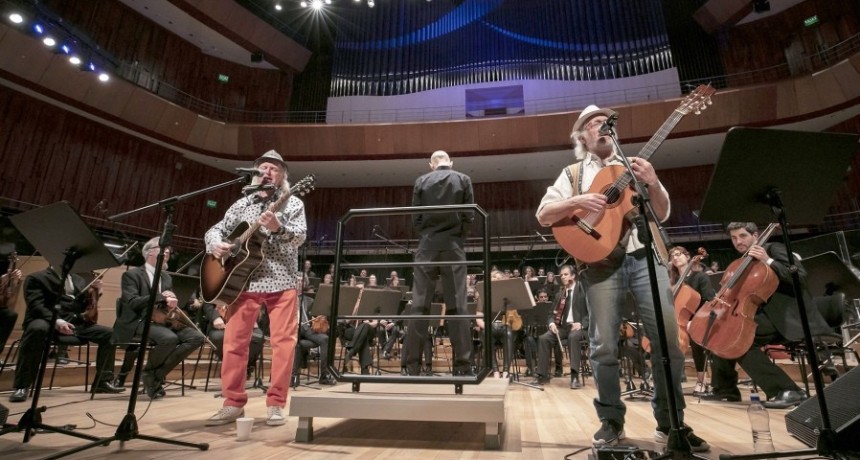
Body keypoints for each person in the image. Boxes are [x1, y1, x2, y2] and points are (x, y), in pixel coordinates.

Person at [536, 105, 709, 451]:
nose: (601, 126)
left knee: (668, 343)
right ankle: (611, 421)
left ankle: (672, 422)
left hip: (646, 258)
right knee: (603, 346)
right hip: (599, 265)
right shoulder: (571, 175)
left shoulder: (633, 167)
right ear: (582, 136)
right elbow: (543, 215)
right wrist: (578, 201)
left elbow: (662, 213)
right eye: (592, 123)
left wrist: (654, 182)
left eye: (605, 121)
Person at [204, 150, 305, 427]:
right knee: (234, 343)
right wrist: (215, 244)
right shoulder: (242, 204)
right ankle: (232, 403)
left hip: (281, 281)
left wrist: (278, 227)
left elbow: (299, 238)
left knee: (284, 344)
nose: (267, 172)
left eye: (273, 168)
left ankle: (275, 404)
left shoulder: (292, 202)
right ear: (254, 173)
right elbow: (215, 229)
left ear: (283, 174)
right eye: (262, 168)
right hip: (242, 281)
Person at [704, 222, 831, 408]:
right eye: (733, 238)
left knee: (739, 339)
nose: (738, 241)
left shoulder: (773, 249)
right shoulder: (743, 262)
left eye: (742, 236)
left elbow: (800, 275)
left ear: (755, 235)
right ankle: (725, 390)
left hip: (788, 316)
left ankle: (788, 390)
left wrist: (768, 260)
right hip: (764, 316)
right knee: (720, 331)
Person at [404, 150, 475, 376]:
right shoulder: (463, 179)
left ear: (431, 165)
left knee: (419, 305)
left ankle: (412, 367)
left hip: (427, 245)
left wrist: (427, 235)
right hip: (453, 246)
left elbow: (416, 218)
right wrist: (456, 237)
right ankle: (463, 368)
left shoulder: (421, 181)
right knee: (458, 306)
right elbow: (469, 217)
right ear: (450, 163)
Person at [9, 266, 123, 403]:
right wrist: (58, 321)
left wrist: (97, 292)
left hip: (73, 322)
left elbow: (81, 307)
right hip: (45, 320)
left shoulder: (78, 279)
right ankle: (22, 386)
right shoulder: (36, 277)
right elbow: (36, 306)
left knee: (109, 334)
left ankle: (102, 382)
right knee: (36, 330)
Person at [114, 237, 205, 399]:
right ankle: (152, 376)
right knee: (168, 338)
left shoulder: (166, 277)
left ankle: (153, 373)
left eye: (169, 251)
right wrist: (161, 297)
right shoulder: (131, 275)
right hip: (138, 321)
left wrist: (171, 300)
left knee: (196, 337)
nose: (168, 252)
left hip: (162, 320)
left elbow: (164, 302)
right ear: (150, 253)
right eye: (164, 249)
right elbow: (133, 302)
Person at [531, 265, 589, 389]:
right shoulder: (561, 293)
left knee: (573, 337)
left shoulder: (583, 289)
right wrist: (551, 323)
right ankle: (543, 375)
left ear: (573, 276)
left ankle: (574, 376)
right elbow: (551, 313)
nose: (562, 276)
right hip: (564, 327)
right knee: (544, 338)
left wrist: (582, 324)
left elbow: (594, 311)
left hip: (581, 328)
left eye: (566, 274)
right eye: (561, 275)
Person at [667, 246, 715, 396]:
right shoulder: (672, 282)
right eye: (672, 256)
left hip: (698, 319)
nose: (675, 257)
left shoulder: (700, 277)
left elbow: (709, 300)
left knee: (696, 344)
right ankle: (671, 380)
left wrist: (693, 321)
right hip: (680, 321)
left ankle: (701, 381)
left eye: (679, 254)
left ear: (688, 257)